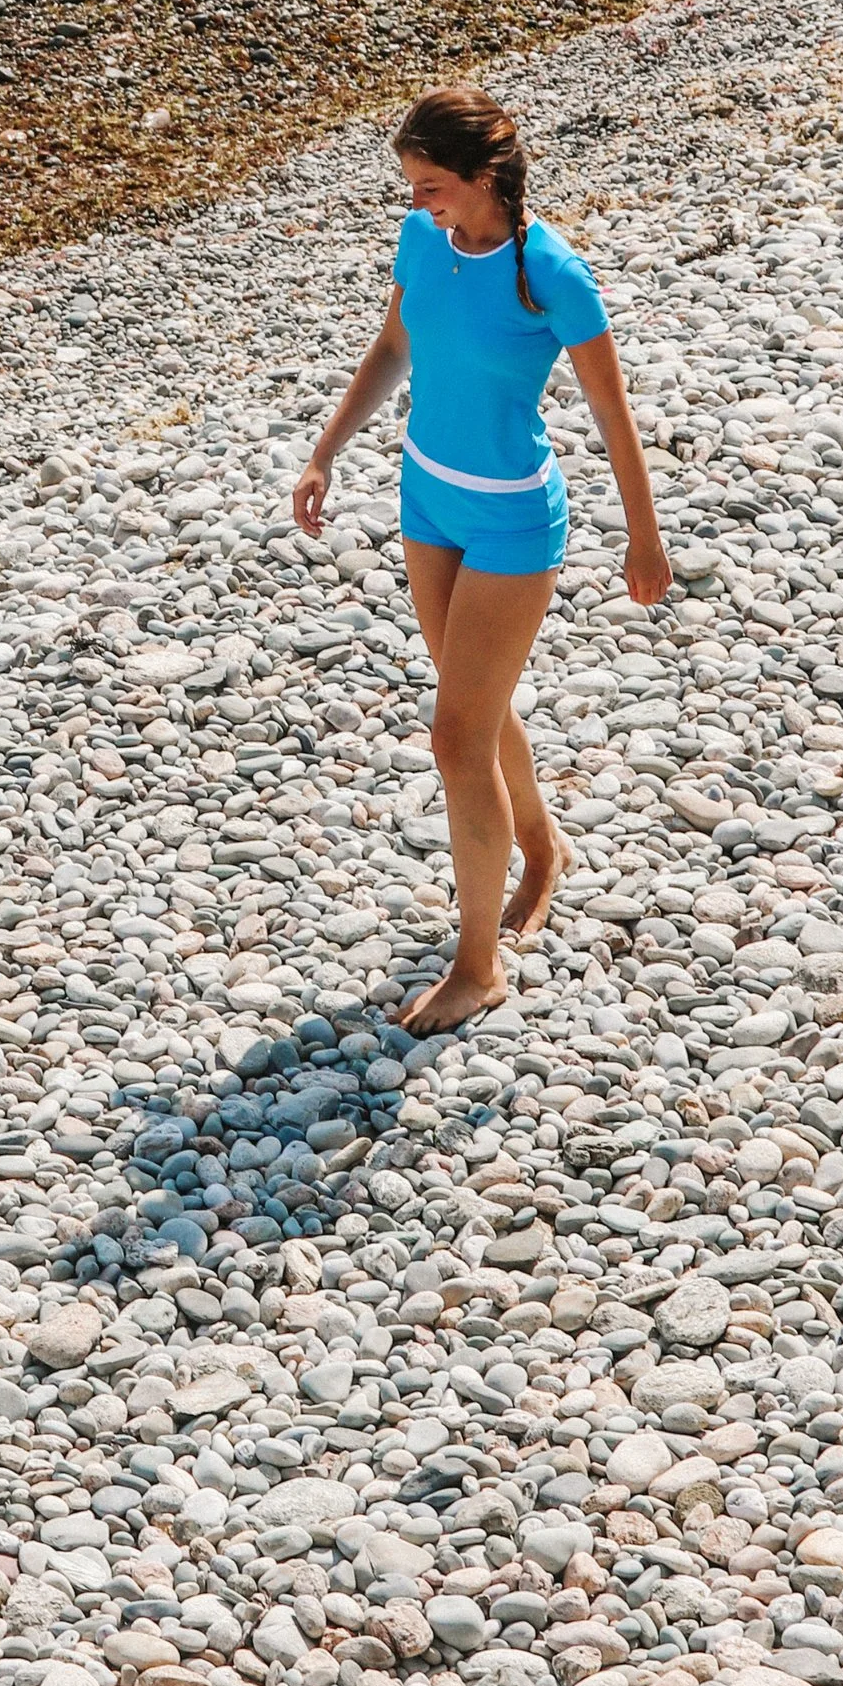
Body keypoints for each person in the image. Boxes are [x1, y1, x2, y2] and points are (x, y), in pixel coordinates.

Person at [292, 84, 672, 1033]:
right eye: (411, 186)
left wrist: (644, 533)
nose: (416, 202)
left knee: (455, 735)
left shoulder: (550, 275)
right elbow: (392, 347)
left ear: (482, 176)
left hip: (510, 520)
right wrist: (326, 449)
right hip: (427, 496)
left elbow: (612, 418)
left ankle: (478, 966)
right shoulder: (424, 242)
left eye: (429, 185)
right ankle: (541, 851)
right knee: (477, 706)